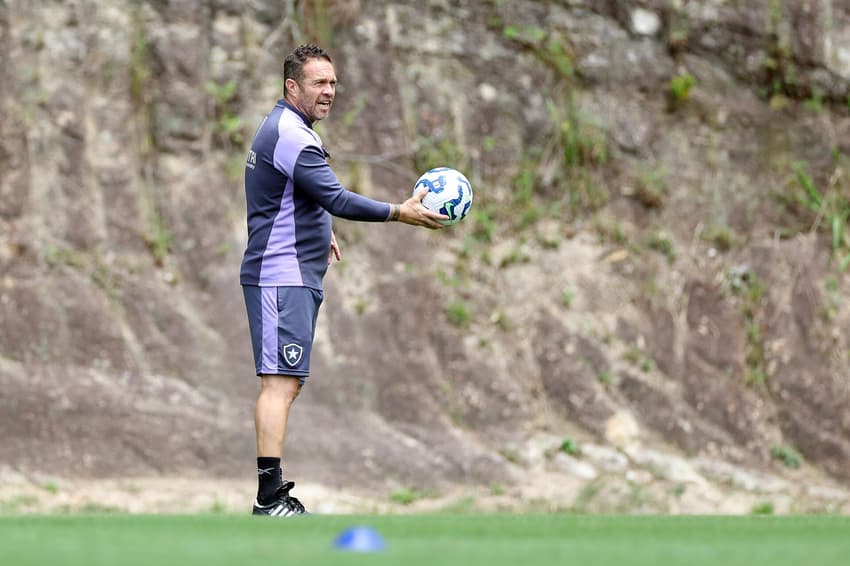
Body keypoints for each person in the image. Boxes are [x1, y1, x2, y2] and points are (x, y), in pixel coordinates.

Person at [240, 43, 447, 517]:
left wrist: (315, 227)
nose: (329, 91)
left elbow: (289, 193)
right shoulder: (291, 134)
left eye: (333, 83)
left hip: (292, 273)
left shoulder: (287, 129)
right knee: (278, 383)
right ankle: (268, 499)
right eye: (319, 83)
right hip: (280, 277)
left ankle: (271, 496)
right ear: (292, 87)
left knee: (286, 382)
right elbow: (335, 197)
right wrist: (401, 212)